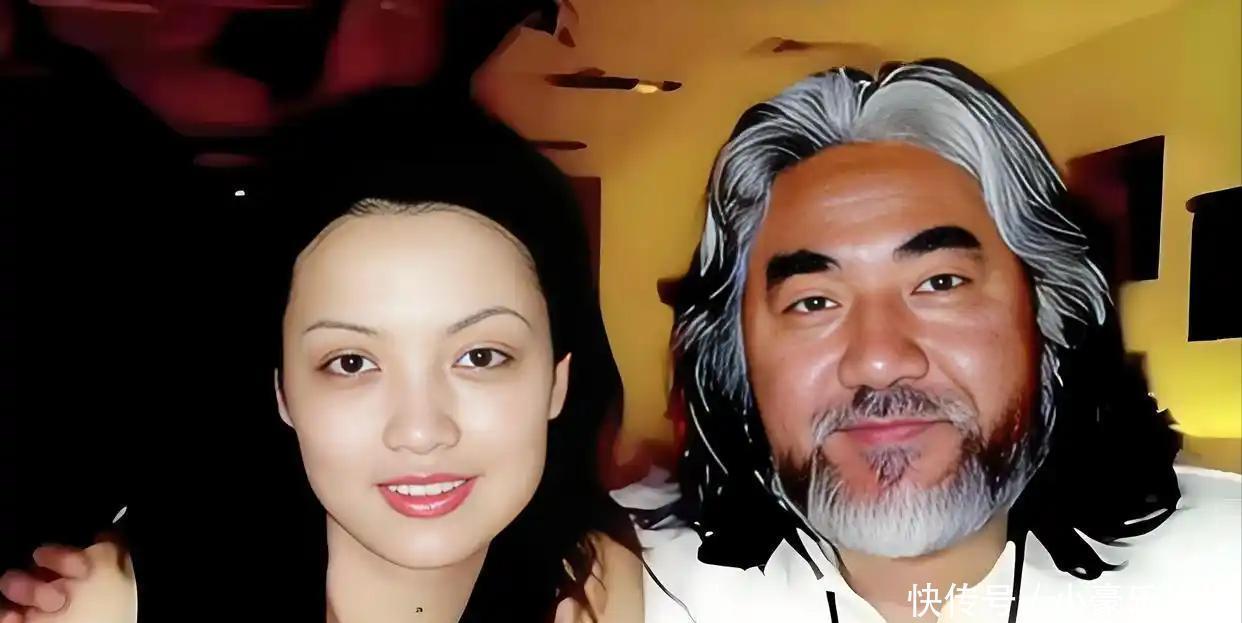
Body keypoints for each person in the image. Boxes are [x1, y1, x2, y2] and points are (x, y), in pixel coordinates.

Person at [616, 59, 1241, 622]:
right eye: (814, 302)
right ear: (738, 361)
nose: (879, 360)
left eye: (940, 283)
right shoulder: (634, 595)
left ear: (1048, 320)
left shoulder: (1221, 574)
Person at [1, 88, 643, 623]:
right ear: (284, 394)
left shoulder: (589, 586)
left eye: (480, 356)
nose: (421, 431)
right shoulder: (118, 606)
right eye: (351, 362)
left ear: (557, 380)